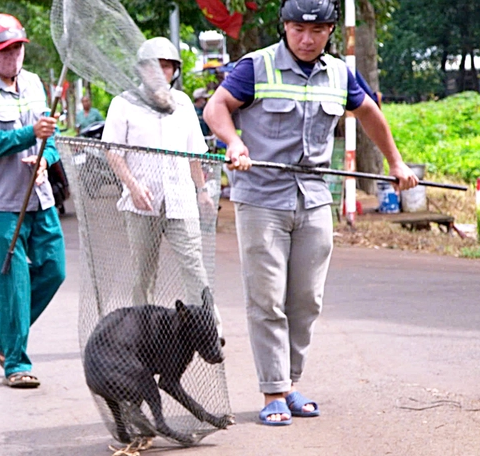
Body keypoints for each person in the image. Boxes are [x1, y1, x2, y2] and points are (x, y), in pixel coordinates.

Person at [203, 0, 418, 425]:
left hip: (315, 197)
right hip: (262, 197)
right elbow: (216, 107)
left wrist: (395, 162)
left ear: (330, 31)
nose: (307, 38)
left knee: (306, 299)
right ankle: (272, 392)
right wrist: (233, 143)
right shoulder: (256, 66)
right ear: (284, 27)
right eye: (298, 29)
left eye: (317, 31)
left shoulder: (339, 73)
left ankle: (290, 383)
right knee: (266, 298)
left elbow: (369, 111)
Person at [0, 13, 66, 389]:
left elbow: (50, 137)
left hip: (39, 196)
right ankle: (16, 363)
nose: (14, 56)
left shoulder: (35, 84)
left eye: (18, 47)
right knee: (14, 281)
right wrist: (28, 135)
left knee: (54, 269)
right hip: (1, 202)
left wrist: (45, 158)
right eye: (5, 50)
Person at [101, 37, 222, 333]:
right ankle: (142, 328)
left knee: (194, 264)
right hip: (141, 201)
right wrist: (132, 186)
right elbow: (113, 151)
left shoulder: (181, 104)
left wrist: (202, 190)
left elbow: (194, 152)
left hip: (180, 198)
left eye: (168, 67)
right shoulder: (123, 104)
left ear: (175, 71)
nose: (161, 73)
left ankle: (209, 325)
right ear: (142, 70)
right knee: (144, 271)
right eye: (155, 67)